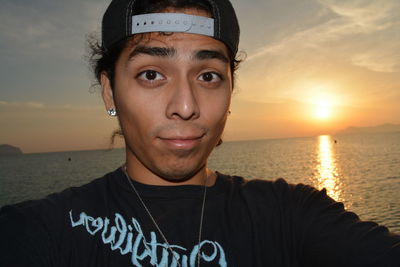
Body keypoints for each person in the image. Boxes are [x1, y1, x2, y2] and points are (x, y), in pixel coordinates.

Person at [0, 0, 399, 266]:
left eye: (208, 76)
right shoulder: (42, 231)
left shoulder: (290, 213)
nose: (186, 105)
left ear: (230, 90)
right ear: (110, 90)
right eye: (151, 75)